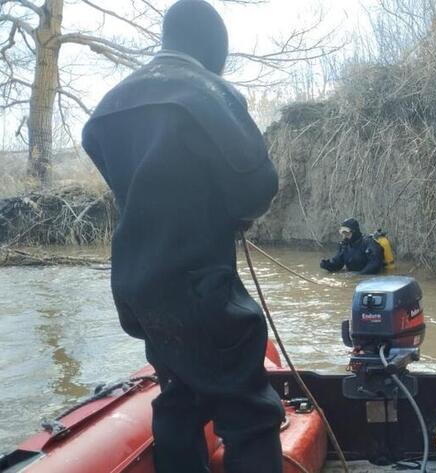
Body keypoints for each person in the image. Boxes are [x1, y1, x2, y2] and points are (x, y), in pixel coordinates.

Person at [81, 2, 283, 472]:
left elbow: (126, 183)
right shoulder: (206, 91)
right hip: (200, 285)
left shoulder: (108, 105)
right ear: (213, 46)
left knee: (179, 398)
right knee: (249, 412)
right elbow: (258, 185)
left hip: (137, 288)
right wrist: (234, 214)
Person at [320, 218, 384, 275]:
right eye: (343, 233)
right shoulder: (344, 246)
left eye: (347, 233)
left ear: (354, 232)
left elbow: (375, 264)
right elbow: (338, 264)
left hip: (368, 279)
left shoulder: (368, 242)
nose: (344, 236)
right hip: (355, 276)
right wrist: (327, 265)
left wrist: (359, 276)